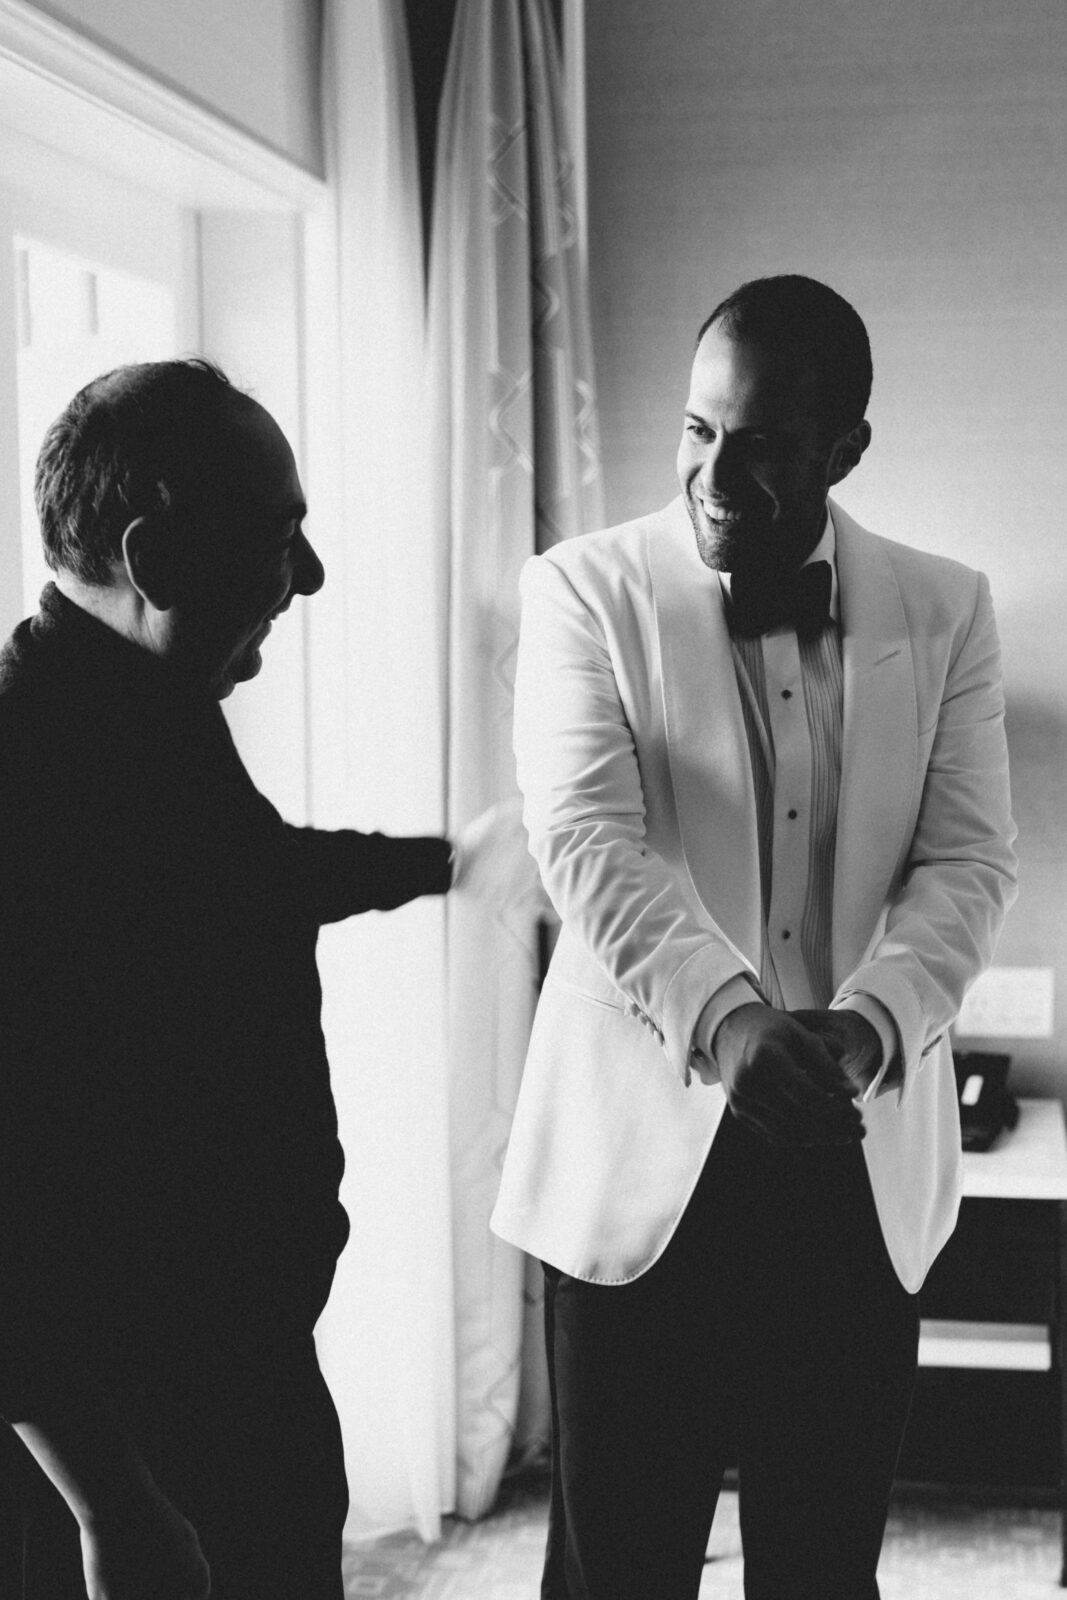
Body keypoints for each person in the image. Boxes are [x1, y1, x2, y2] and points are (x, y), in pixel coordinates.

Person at [491, 274, 1019, 1599]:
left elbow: (965, 858)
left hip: (850, 1165)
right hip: (638, 1160)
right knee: (619, 1564)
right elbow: (587, 843)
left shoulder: (942, 609)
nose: (715, 476)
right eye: (696, 432)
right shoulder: (579, 593)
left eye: (765, 446)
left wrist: (876, 1021)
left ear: (843, 451)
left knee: (823, 1562)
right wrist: (728, 1026)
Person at [0, 358, 517, 1600]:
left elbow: (239, 878)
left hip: (243, 1383)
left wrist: (450, 862)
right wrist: (110, 1503)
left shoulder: (145, 700)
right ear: (157, 556)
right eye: (280, 539)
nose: (311, 577)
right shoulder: (28, 778)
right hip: (128, 1443)